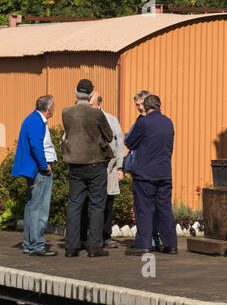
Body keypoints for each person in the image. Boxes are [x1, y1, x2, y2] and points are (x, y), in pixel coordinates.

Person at [61, 78, 115, 257]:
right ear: (91, 94)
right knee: (97, 204)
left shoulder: (66, 113)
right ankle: (94, 246)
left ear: (76, 93)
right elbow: (108, 136)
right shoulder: (96, 114)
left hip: (75, 165)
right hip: (95, 163)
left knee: (74, 204)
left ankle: (71, 246)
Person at [124, 93, 177, 255]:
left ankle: (144, 244)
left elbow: (130, 142)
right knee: (165, 208)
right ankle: (171, 244)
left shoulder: (144, 122)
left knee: (144, 208)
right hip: (164, 172)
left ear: (146, 108)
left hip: (144, 173)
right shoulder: (168, 122)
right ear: (159, 106)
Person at [12, 94, 57, 256]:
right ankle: (36, 244)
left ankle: (29, 243)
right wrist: (45, 165)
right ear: (48, 108)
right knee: (39, 207)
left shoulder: (32, 119)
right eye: (53, 107)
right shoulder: (36, 121)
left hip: (33, 169)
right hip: (39, 170)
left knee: (32, 206)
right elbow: (36, 145)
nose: (54, 110)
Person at [91, 92, 126, 249]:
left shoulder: (111, 120)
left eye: (91, 105)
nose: (89, 108)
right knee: (90, 203)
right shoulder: (83, 119)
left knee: (107, 203)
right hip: (89, 169)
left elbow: (119, 145)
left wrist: (120, 167)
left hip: (109, 169)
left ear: (99, 104)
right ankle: (90, 236)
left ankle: (106, 236)